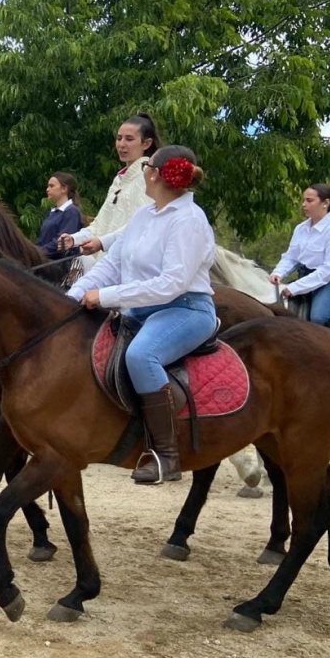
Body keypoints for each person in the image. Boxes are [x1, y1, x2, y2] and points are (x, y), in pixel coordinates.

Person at [66, 145, 215, 485]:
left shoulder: (189, 220)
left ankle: (166, 455)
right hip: (140, 308)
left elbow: (172, 284)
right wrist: (70, 298)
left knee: (141, 355)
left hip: (185, 308)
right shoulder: (144, 215)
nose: (143, 172)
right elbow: (112, 265)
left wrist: (107, 296)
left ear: (154, 174)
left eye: (146, 166)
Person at [58, 113, 162, 257]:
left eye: (129, 139)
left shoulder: (148, 176)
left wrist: (102, 242)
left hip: (132, 260)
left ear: (146, 143)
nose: (121, 144)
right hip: (109, 260)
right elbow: (100, 224)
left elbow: (141, 225)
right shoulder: (119, 180)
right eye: (119, 138)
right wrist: (74, 239)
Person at [268, 183, 330, 328]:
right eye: (303, 200)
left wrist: (295, 287)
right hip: (306, 277)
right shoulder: (300, 229)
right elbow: (291, 257)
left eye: (309, 200)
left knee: (318, 317)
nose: (304, 204)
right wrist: (278, 272)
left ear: (325, 203)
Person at [36, 172, 85, 259]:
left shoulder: (71, 212)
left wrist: (39, 252)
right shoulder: (51, 212)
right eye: (48, 186)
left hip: (60, 263)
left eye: (51, 186)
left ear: (64, 189)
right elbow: (42, 240)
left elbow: (62, 241)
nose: (47, 189)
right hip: (46, 260)